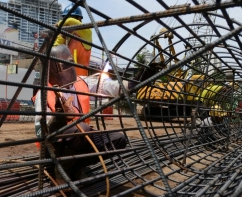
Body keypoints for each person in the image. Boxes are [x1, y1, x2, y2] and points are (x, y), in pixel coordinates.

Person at [33, 45, 160, 184]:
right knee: (82, 129)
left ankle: (75, 166)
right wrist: (60, 117)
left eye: (70, 63)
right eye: (64, 65)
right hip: (55, 149)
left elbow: (108, 87)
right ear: (52, 68)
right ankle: (61, 170)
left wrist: (136, 81)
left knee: (119, 139)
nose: (69, 68)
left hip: (80, 140)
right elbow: (43, 133)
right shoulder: (45, 93)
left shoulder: (81, 83)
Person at [53, 3, 93, 77]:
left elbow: (69, 21)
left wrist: (58, 24)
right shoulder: (67, 38)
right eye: (64, 18)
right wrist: (62, 36)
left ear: (79, 19)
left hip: (82, 79)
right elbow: (55, 51)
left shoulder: (87, 32)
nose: (67, 25)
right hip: (68, 80)